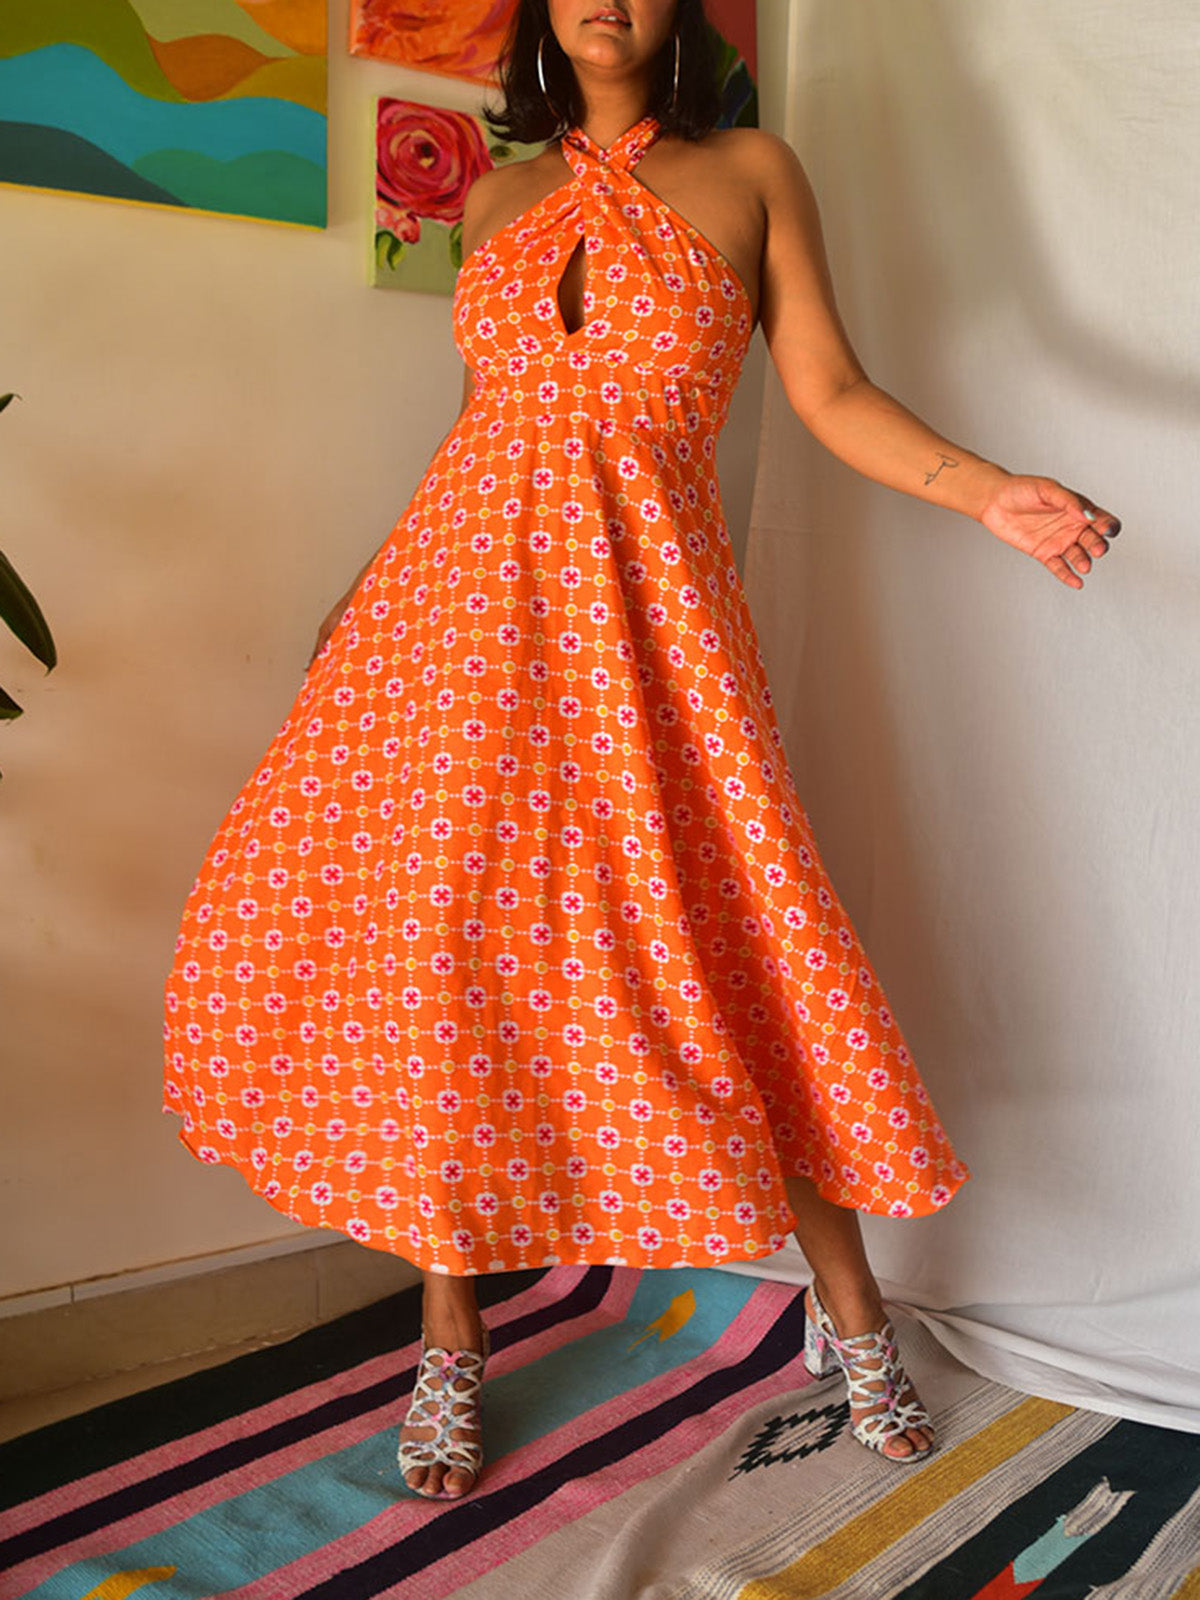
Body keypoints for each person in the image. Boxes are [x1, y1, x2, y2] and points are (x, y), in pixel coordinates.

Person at [163, 0, 1121, 1504]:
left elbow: (830, 390)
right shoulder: (494, 197)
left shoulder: (751, 170)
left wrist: (985, 490)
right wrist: (368, 584)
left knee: (729, 938)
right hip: (455, 619)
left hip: (650, 623)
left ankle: (854, 1317)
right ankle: (450, 1336)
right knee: (443, 959)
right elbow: (484, 427)